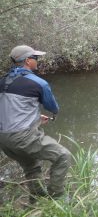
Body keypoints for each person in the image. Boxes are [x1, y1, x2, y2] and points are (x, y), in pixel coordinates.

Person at [0, 45, 71, 203]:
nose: (37, 61)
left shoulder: (3, 81)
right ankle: (57, 197)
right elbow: (53, 108)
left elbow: (8, 108)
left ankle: (37, 200)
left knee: (31, 167)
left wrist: (36, 117)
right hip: (22, 137)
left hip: (4, 140)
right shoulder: (38, 83)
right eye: (35, 58)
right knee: (63, 156)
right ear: (27, 61)